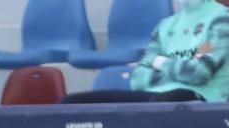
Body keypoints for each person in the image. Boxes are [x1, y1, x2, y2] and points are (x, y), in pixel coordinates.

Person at [62, 0, 229, 104]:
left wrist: (159, 62)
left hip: (202, 100)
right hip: (156, 96)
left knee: (167, 102)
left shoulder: (221, 19)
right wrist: (181, 69)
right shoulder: (166, 25)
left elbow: (198, 72)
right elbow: (139, 77)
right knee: (73, 103)